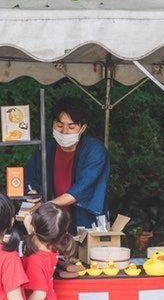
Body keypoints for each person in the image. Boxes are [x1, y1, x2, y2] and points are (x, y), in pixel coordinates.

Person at [24, 97, 110, 232]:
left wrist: (47, 205)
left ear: (82, 128)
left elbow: (81, 189)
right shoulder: (45, 148)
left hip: (86, 220)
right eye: (59, 125)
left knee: (87, 252)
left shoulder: (95, 150)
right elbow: (31, 177)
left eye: (71, 127)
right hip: (53, 222)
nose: (64, 131)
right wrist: (31, 192)